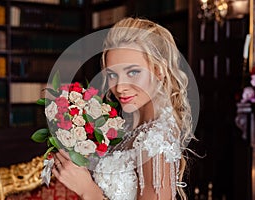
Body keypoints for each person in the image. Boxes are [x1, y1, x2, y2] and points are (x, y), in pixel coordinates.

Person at [52, 17, 195, 200]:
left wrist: (88, 190)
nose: (119, 87)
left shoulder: (157, 140)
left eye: (133, 72)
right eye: (112, 74)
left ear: (159, 71)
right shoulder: (131, 128)